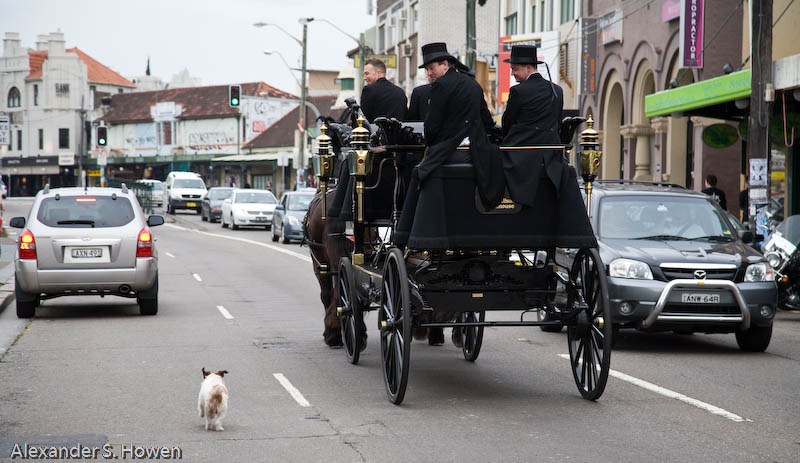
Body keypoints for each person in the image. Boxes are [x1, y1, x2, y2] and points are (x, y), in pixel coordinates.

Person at [500, 45, 566, 207]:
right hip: (552, 156)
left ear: (528, 68)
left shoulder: (518, 91)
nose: (512, 73)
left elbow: (507, 124)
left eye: (514, 69)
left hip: (522, 155)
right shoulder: (557, 90)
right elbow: (557, 123)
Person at [359, 58, 407, 123]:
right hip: (398, 132)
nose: (364, 78)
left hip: (376, 131)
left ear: (379, 73)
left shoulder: (368, 90)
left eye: (367, 74)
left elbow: (363, 119)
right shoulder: (400, 92)